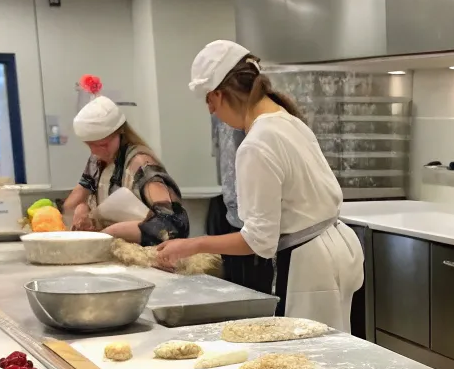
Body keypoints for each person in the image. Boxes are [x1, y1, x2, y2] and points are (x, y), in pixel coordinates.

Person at [156, 40, 364, 331]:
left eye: (209, 101)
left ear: (220, 94)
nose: (211, 112)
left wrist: (193, 245)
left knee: (310, 356)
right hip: (337, 248)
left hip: (310, 263)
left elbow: (259, 242)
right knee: (336, 345)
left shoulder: (257, 142)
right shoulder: (287, 120)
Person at [63, 96, 189, 245]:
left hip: (147, 257)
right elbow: (69, 207)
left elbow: (174, 227)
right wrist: (82, 208)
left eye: (103, 144)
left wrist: (110, 233)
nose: (97, 152)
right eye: (90, 145)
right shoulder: (97, 161)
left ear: (120, 132)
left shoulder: (141, 165)